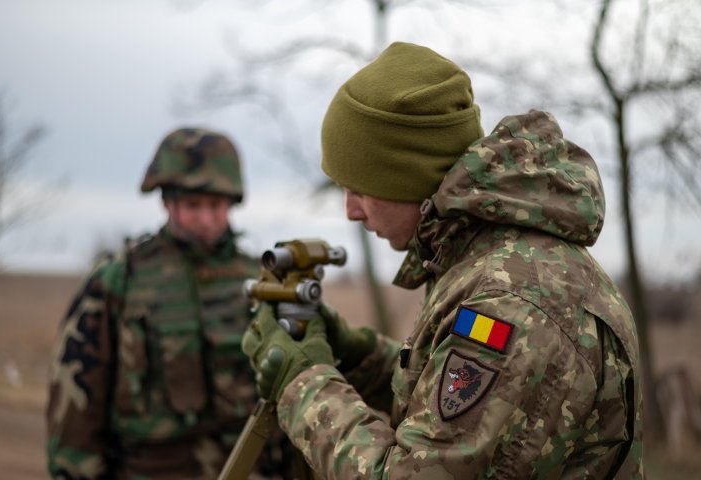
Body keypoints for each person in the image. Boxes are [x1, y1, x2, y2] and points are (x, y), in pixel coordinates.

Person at [241, 42, 643, 479]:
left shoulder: (510, 301)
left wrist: (303, 382)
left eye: (358, 189)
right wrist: (357, 356)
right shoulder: (492, 263)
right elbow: (457, 398)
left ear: (411, 176)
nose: (350, 212)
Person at [46, 128, 287, 479]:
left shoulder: (263, 281)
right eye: (193, 206)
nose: (206, 219)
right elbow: (77, 399)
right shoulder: (119, 279)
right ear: (166, 202)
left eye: (216, 206)